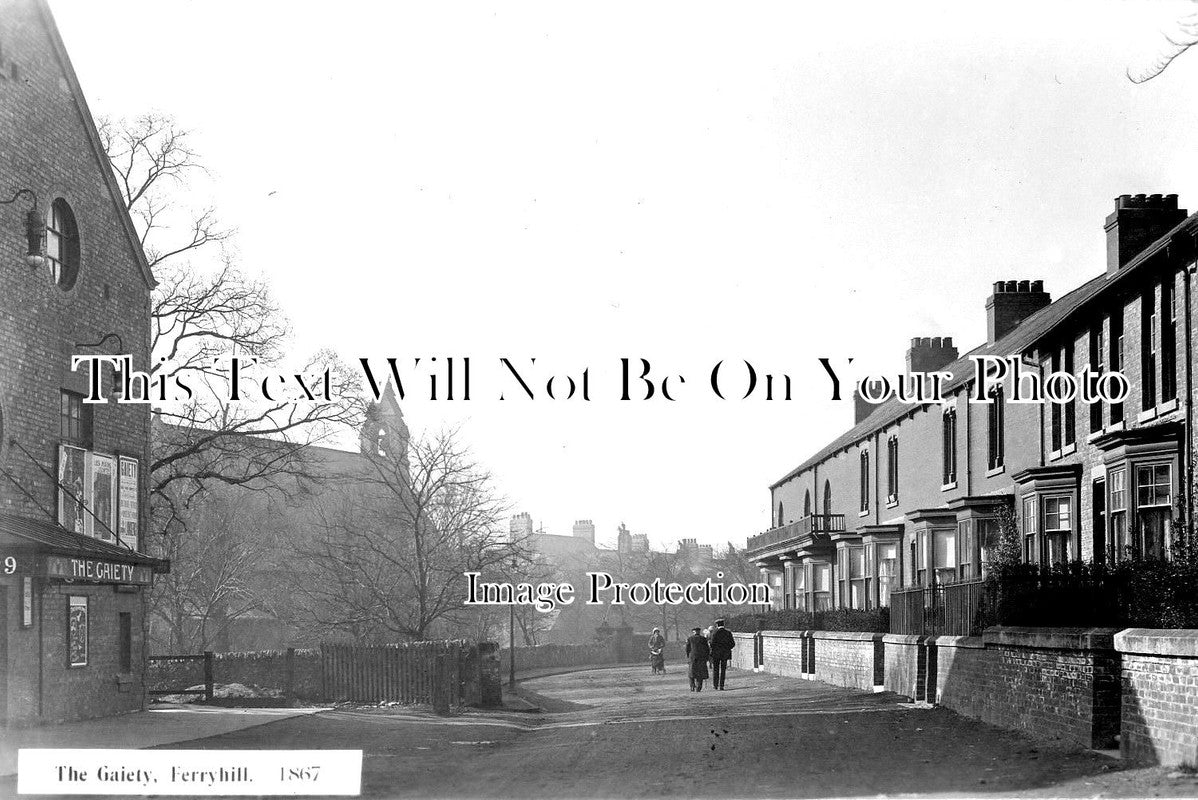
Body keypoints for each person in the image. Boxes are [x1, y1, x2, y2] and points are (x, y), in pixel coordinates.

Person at [709, 618, 736, 690]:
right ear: (723, 624)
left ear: (717, 624)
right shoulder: (728, 633)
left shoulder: (714, 633)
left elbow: (712, 644)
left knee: (716, 669)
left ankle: (715, 685)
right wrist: (727, 648)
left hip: (716, 654)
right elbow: (733, 644)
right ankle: (721, 685)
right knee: (723, 670)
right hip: (725, 654)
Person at [685, 626, 710, 692]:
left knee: (691, 673)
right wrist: (707, 657)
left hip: (692, 658)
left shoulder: (690, 639)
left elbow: (687, 649)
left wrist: (688, 657)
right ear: (699, 632)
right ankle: (699, 686)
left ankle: (692, 686)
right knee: (700, 672)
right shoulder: (703, 639)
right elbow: (707, 649)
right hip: (701, 658)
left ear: (693, 632)